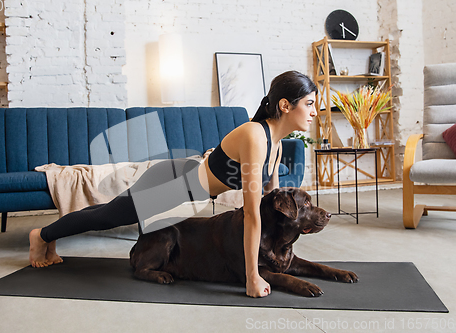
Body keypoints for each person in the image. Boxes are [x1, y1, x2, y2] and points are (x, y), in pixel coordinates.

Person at [29, 70, 318, 298]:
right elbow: (253, 214)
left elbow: (270, 208)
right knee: (106, 216)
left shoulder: (275, 143)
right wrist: (252, 276)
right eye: (309, 104)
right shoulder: (256, 136)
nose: (314, 111)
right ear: (285, 105)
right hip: (174, 184)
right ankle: (41, 236)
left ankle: (48, 236)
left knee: (107, 214)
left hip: (190, 188)